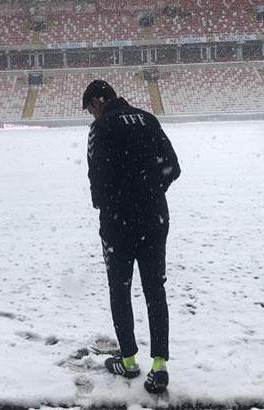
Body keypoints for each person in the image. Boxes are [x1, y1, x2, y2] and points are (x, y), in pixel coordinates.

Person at [83, 79, 181, 394]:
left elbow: (96, 182)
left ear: (98, 103)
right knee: (155, 290)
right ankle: (160, 365)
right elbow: (173, 167)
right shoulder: (148, 119)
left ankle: (128, 360)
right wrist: (151, 190)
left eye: (90, 110)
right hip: (154, 216)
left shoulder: (101, 128)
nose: (91, 116)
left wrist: (114, 201)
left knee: (120, 289)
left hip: (118, 222)